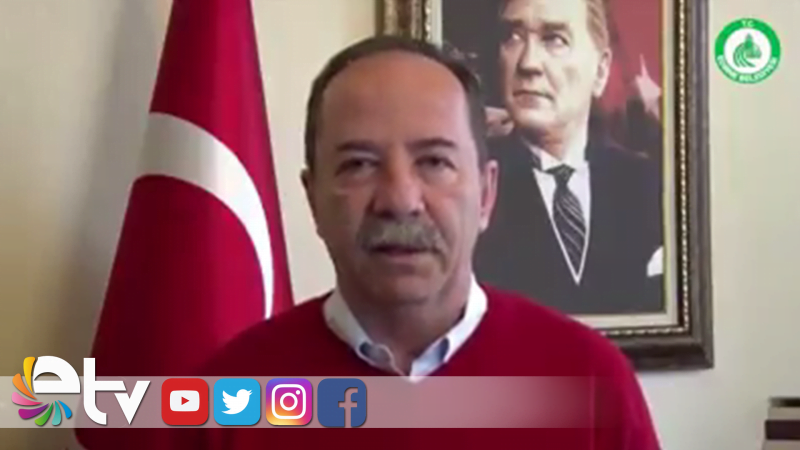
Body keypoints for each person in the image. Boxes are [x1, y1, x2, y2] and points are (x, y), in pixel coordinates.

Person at [178, 35, 660, 449]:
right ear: (313, 199)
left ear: (486, 193)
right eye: (358, 164)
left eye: (434, 162)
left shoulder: (590, 381)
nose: (400, 200)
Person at [474, 0, 664, 315]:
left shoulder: (650, 186)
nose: (528, 63)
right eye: (513, 37)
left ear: (600, 70)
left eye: (555, 39)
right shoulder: (469, 188)